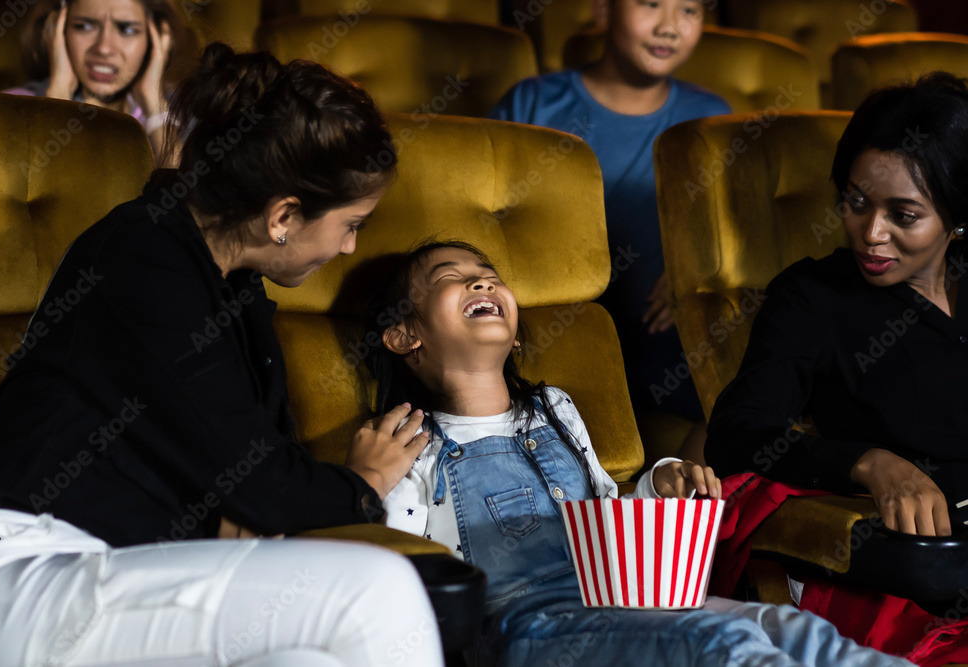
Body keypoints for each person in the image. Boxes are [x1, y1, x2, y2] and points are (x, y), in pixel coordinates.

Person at [0, 44, 441, 667]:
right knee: (378, 593)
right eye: (352, 223)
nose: (351, 247)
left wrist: (251, 501)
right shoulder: (144, 258)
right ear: (284, 216)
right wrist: (364, 484)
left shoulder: (231, 283)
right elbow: (265, 486)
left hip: (130, 564)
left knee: (308, 658)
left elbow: (257, 483)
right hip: (21, 572)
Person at [363, 240, 914, 667]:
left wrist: (660, 483)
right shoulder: (408, 438)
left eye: (488, 274)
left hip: (625, 599)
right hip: (526, 629)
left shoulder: (553, 408)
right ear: (404, 335)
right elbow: (399, 567)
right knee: (721, 641)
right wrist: (371, 485)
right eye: (449, 278)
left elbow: (607, 513)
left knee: (792, 629)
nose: (480, 279)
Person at [706, 72, 968, 538]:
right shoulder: (814, 297)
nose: (871, 233)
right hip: (927, 555)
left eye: (903, 216)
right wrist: (867, 463)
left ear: (957, 215)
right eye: (856, 202)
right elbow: (737, 434)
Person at [488, 0, 731, 460]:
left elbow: (728, 229)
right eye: (651, 4)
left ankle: (678, 512)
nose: (669, 27)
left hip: (663, 333)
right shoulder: (532, 103)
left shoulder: (710, 116)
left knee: (755, 384)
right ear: (602, 10)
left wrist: (699, 269)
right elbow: (481, 220)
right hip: (549, 329)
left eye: (690, 11)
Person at [7, 0, 191, 160]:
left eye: (126, 29)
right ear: (56, 29)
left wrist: (155, 108)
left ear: (158, 37)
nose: (103, 48)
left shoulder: (188, 113)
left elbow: (183, 196)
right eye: (85, 26)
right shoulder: (12, 109)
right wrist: (58, 97)